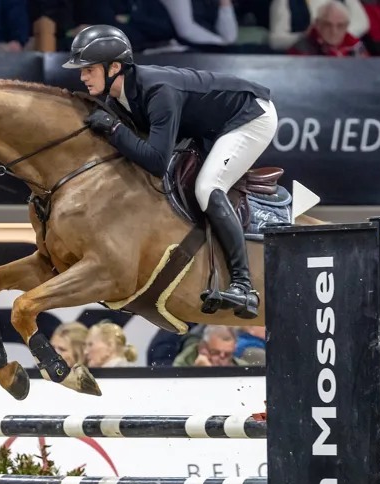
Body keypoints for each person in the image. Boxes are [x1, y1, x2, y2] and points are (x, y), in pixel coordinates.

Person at [64, 24, 277, 320]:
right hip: (211, 126)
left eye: (88, 69)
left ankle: (244, 286)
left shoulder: (158, 92)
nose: (82, 76)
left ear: (114, 67)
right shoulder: (118, 98)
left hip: (249, 117)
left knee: (207, 188)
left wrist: (113, 129)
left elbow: (154, 161)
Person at [173, 325, 249, 366]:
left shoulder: (243, 367)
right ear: (202, 348)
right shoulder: (182, 364)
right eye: (215, 352)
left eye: (227, 354)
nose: (221, 357)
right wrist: (198, 372)